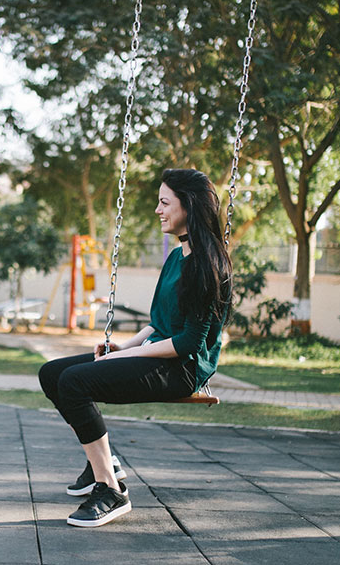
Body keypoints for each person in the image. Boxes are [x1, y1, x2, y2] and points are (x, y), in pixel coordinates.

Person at [38, 168, 232, 528]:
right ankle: (104, 461)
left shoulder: (207, 265)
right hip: (159, 351)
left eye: (164, 202)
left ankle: (110, 490)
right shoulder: (177, 257)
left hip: (184, 367)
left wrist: (129, 355)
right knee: (52, 374)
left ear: (188, 206)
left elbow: (189, 341)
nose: (158, 210)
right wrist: (122, 345)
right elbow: (159, 322)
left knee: (75, 383)